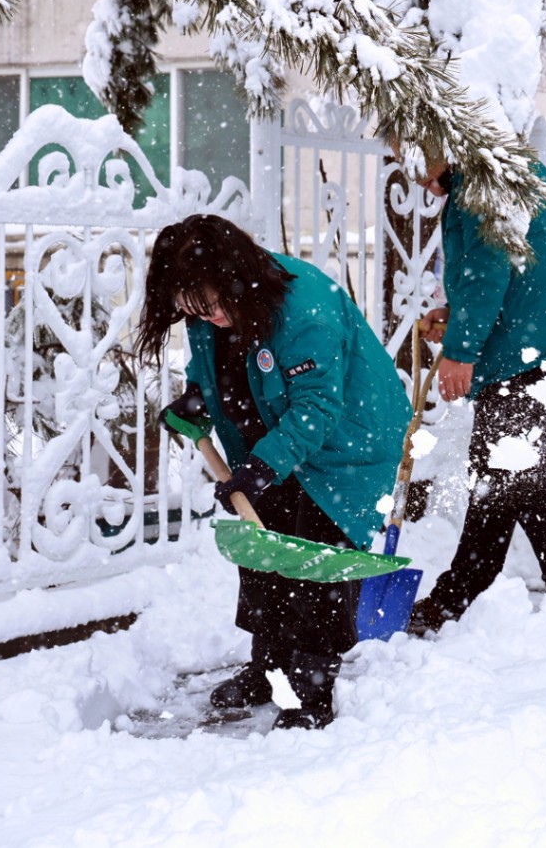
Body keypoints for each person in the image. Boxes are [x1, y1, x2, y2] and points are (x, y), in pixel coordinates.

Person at [132, 214, 408, 729]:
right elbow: (211, 361)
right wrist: (198, 396)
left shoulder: (306, 314)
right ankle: (269, 668)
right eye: (193, 311)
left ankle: (312, 689)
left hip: (346, 442)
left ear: (235, 278)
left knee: (316, 559)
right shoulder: (211, 307)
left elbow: (316, 410)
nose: (207, 319)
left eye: (212, 307)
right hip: (272, 434)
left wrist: (262, 467)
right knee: (265, 553)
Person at [399, 146, 546, 635]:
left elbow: (488, 271)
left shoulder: (484, 182)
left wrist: (462, 350)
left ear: (437, 144)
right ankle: (465, 593)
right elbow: (500, 273)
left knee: (518, 480)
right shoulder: (491, 170)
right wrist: (457, 315)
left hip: (528, 352)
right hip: (536, 344)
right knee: (505, 480)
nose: (415, 177)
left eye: (414, 159)